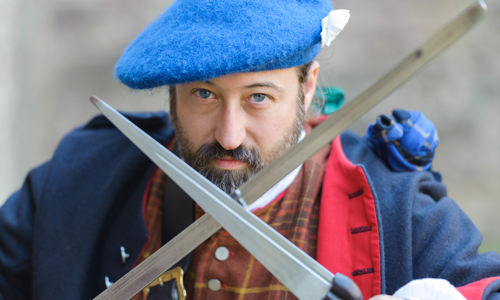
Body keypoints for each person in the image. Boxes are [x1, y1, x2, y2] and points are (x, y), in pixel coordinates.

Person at [0, 0, 499, 299]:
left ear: (307, 88)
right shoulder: (81, 178)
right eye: (204, 95)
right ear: (173, 92)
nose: (229, 135)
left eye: (259, 97)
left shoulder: (399, 210)